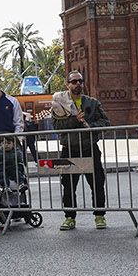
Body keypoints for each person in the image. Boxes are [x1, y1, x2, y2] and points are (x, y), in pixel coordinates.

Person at [52, 71, 110, 230]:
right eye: (74, 81)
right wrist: (74, 120)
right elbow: (56, 126)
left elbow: (105, 122)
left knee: (97, 183)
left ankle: (100, 216)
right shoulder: (59, 103)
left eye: (80, 81)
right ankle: (69, 217)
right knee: (69, 185)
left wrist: (91, 127)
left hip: (89, 148)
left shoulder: (92, 102)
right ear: (67, 84)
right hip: (69, 150)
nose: (77, 84)